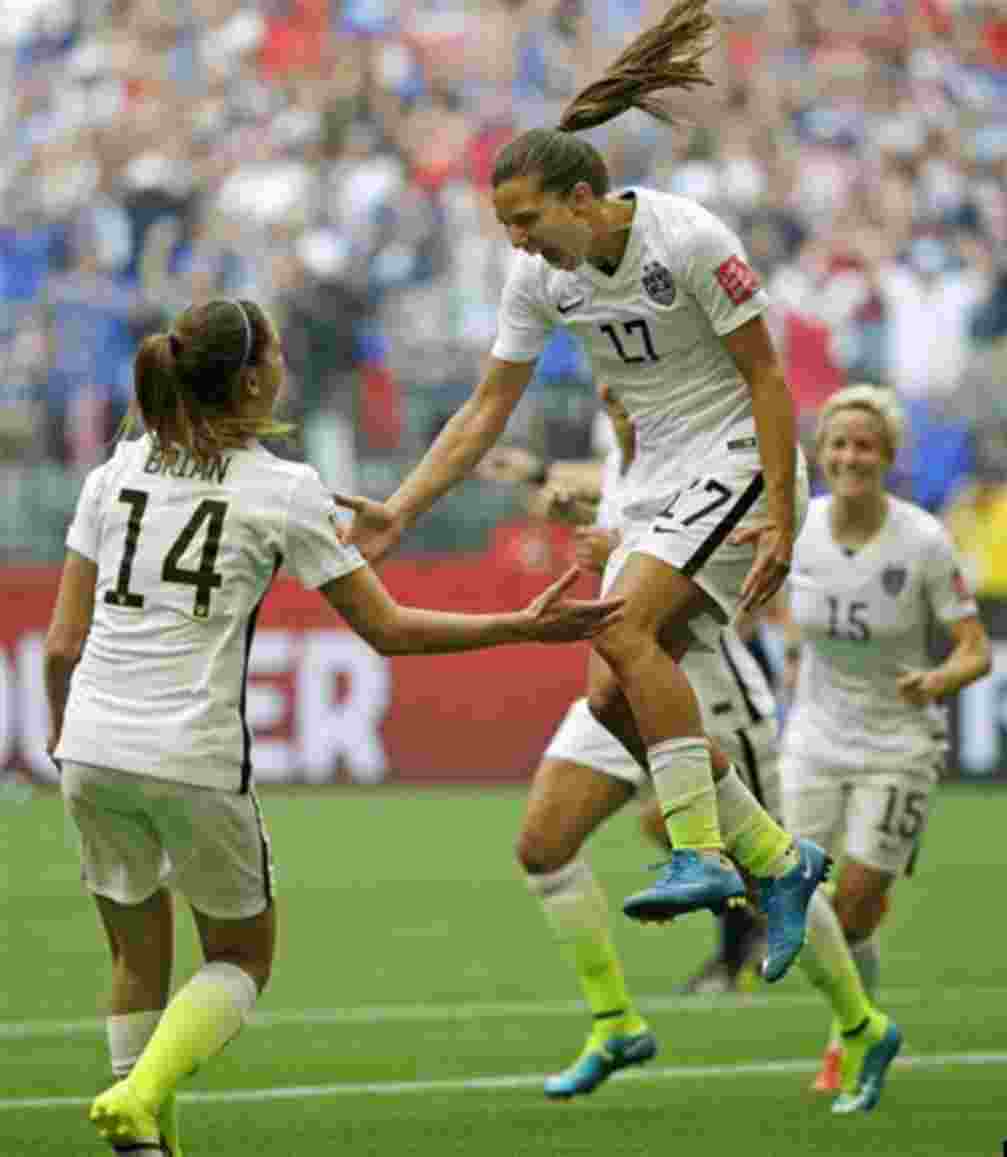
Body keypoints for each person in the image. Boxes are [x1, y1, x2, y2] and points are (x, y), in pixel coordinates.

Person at [42, 299, 623, 1156]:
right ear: (251, 378)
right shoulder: (282, 487)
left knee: (135, 957)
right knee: (242, 954)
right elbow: (387, 629)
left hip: (88, 741)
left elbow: (60, 644)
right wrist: (519, 627)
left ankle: (141, 1140)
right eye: (273, 349)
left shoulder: (111, 473)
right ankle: (140, 1093)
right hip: (191, 749)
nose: (283, 359)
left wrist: (66, 748)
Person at [339, 0, 829, 989]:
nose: (517, 243)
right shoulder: (542, 280)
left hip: (735, 455)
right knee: (612, 697)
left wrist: (781, 504)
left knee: (621, 628)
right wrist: (403, 506)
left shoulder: (688, 239)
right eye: (504, 226)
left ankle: (702, 850)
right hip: (655, 478)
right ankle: (775, 859)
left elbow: (769, 378)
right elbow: (485, 410)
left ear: (581, 195)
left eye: (526, 220)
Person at [482, 387, 901, 1113]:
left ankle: (860, 1024)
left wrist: (616, 551)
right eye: (602, 370)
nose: (610, 385)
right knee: (542, 845)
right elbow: (599, 509)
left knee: (775, 877)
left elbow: (718, 570)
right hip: (615, 684)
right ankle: (616, 1021)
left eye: (622, 369)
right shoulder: (619, 459)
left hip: (704, 685)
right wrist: (581, 519)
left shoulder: (709, 452)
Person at [779, 384, 992, 1106]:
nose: (849, 456)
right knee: (787, 899)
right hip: (812, 736)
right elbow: (762, 600)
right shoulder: (796, 528)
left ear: (889, 457)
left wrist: (937, 679)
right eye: (838, 443)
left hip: (899, 743)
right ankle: (864, 1025)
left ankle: (851, 1037)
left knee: (857, 904)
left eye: (864, 445)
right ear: (820, 453)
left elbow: (976, 651)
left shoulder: (924, 540)